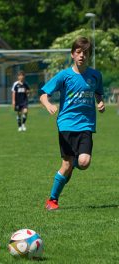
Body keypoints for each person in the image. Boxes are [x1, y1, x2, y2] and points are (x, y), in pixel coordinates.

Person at [40, 36, 105, 211]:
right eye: (78, 52)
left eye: (85, 52)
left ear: (89, 55)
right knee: (67, 165)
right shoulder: (64, 75)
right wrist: (48, 104)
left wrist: (99, 102)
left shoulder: (95, 75)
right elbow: (44, 94)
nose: (82, 55)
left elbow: (98, 92)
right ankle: (52, 200)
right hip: (66, 124)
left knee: (84, 163)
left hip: (86, 125)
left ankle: (73, 164)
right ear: (72, 55)